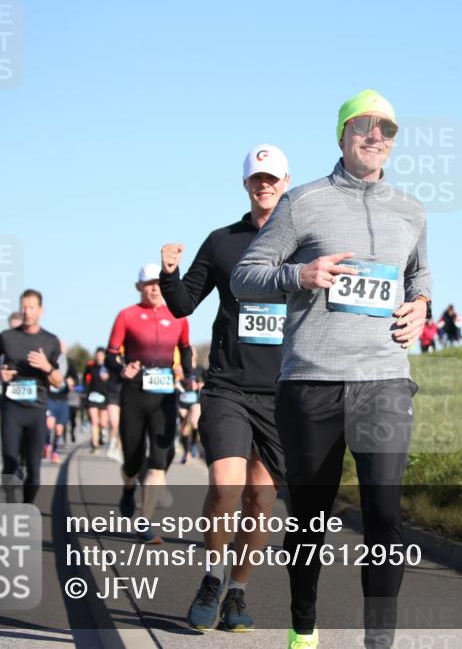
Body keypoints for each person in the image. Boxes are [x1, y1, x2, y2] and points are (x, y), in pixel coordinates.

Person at [232, 91, 431, 649]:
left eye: (386, 127)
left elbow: (420, 277)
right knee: (311, 520)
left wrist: (420, 308)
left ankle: (378, 643)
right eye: (363, 125)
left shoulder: (411, 211)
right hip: (311, 381)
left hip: (384, 381)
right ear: (342, 135)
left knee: (385, 513)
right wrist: (301, 275)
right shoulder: (303, 203)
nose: (376, 135)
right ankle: (303, 628)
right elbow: (245, 275)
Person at [160, 143, 291, 632]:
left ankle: (237, 591)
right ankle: (212, 577)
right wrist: (169, 273)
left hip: (282, 391)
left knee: (260, 499)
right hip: (228, 386)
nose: (265, 186)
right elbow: (182, 304)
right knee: (225, 486)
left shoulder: (305, 244)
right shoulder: (222, 242)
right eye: (257, 179)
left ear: (286, 181)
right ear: (246, 184)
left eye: (273, 178)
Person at [107, 263, 192, 545]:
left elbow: (186, 348)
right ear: (139, 287)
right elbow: (110, 355)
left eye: (159, 283)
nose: (155, 288)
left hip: (165, 395)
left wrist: (188, 374)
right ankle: (128, 486)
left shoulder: (177, 315)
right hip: (134, 393)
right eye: (149, 283)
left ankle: (145, 522)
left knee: (158, 460)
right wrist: (122, 368)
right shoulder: (127, 316)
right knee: (132, 459)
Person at [0, 290, 63, 504]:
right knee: (10, 465)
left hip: (36, 410)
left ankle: (27, 506)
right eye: (24, 307)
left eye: (31, 307)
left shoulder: (50, 341)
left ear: (41, 310)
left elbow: (59, 381)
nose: (27, 312)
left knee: (34, 472)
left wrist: (46, 366)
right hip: (11, 409)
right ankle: (12, 508)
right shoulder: (7, 337)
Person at [45, 339, 75, 464]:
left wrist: (71, 382)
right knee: (49, 424)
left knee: (59, 429)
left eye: (63, 347)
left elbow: (76, 381)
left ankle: (55, 452)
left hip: (63, 400)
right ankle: (46, 444)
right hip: (50, 397)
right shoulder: (48, 361)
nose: (61, 349)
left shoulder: (69, 363)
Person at [176, 348, 205, 465]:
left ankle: (193, 445)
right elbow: (175, 381)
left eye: (193, 352)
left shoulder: (199, 369)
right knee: (183, 430)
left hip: (195, 400)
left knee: (194, 422)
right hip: (182, 399)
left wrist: (200, 384)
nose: (191, 354)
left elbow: (206, 381)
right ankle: (186, 452)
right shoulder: (179, 367)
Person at [84, 347, 112, 452]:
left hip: (105, 397)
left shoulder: (108, 368)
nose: (99, 356)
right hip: (92, 396)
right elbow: (85, 379)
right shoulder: (91, 366)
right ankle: (94, 443)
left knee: (103, 423)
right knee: (94, 421)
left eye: (101, 354)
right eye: (98, 354)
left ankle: (100, 434)